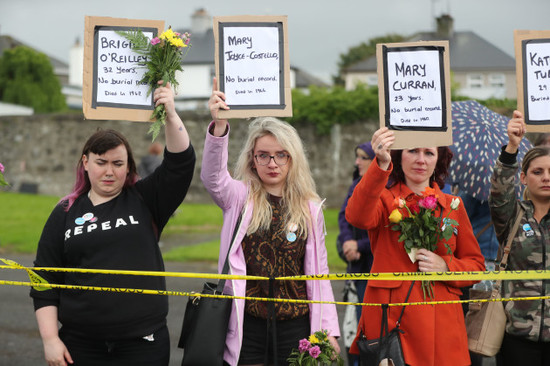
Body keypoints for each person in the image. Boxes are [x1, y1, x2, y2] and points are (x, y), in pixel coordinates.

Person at [30, 81, 196, 366]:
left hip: (143, 344)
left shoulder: (145, 200)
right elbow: (43, 281)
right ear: (85, 162)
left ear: (129, 166)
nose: (109, 171)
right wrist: (50, 340)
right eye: (101, 162)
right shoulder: (65, 212)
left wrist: (169, 113)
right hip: (80, 345)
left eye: (118, 164)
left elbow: (180, 163)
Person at [202, 78, 340, 366]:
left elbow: (320, 274)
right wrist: (218, 127)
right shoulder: (239, 197)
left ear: (293, 159)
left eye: (281, 155)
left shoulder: (309, 208)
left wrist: (330, 331)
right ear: (252, 159)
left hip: (297, 328)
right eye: (263, 156)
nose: (272, 164)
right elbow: (213, 178)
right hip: (247, 325)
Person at [345, 127, 485, 366]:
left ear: (438, 159)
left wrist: (446, 266)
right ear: (400, 155)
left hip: (443, 326)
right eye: (413, 151)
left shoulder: (454, 205)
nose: (421, 160)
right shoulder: (384, 198)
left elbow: (476, 265)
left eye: (429, 153)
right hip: (392, 324)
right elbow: (357, 216)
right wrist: (379, 164)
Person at [489, 111, 550, 365]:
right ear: (523, 178)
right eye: (537, 172)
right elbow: (499, 191)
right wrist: (512, 147)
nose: (546, 177)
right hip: (517, 338)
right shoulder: (512, 216)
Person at [336, 141, 374, 366]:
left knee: (371, 326)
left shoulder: (386, 186)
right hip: (357, 266)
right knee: (356, 323)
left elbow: (383, 231)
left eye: (362, 158)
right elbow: (344, 216)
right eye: (357, 157)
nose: (357, 162)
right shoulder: (356, 184)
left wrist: (359, 246)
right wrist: (348, 243)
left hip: (374, 267)